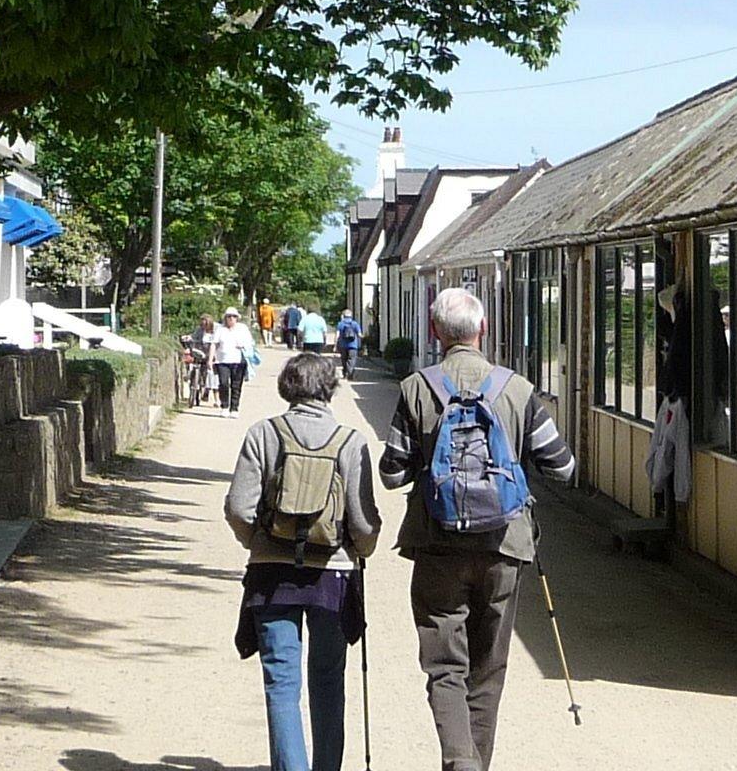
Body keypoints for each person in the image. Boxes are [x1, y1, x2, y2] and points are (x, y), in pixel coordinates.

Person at [378, 287, 574, 771]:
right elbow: (563, 469)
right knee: (487, 670)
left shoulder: (417, 388)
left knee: (445, 667)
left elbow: (392, 473)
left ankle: (458, 760)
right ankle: (473, 765)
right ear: (482, 330)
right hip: (505, 546)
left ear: (434, 331)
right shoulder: (519, 389)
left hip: (437, 545)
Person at [225, 354, 382, 771]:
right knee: (328, 680)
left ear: (287, 387)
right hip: (332, 576)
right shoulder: (351, 441)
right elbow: (364, 525)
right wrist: (361, 552)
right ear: (329, 388)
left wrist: (257, 543)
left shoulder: (263, 434)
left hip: (271, 576)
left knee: (281, 683)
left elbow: (239, 508)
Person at [213, 308, 258, 417]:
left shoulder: (243, 329)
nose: (231, 318)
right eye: (229, 316)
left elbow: (250, 343)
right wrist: (211, 359)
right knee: (223, 383)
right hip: (222, 360)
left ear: (237, 318)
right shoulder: (220, 329)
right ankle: (224, 406)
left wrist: (243, 345)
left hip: (239, 361)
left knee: (236, 385)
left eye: (233, 316)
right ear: (225, 318)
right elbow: (214, 344)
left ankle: (234, 408)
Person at [183, 313, 218, 408]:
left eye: (205, 324)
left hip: (211, 354)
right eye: (202, 324)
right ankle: (193, 383)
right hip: (200, 352)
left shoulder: (216, 330)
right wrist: (188, 337)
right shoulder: (200, 330)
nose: (203, 326)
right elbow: (194, 336)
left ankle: (206, 390)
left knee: (209, 374)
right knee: (195, 365)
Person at [334, 312, 363, 379]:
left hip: (343, 345)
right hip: (353, 346)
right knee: (352, 359)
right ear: (351, 316)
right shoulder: (355, 324)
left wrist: (335, 345)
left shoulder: (340, 324)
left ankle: (345, 373)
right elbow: (359, 335)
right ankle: (350, 373)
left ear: (343, 316)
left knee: (344, 359)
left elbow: (337, 335)